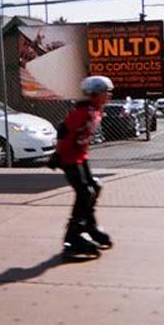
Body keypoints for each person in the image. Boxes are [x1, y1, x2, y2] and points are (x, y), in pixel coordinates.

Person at [54, 75, 114, 258]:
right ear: (94, 94)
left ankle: (90, 226)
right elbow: (63, 129)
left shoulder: (95, 109)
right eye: (106, 92)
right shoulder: (83, 112)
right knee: (85, 193)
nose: (109, 95)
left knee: (94, 187)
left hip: (80, 156)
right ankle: (72, 237)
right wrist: (57, 154)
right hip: (68, 157)